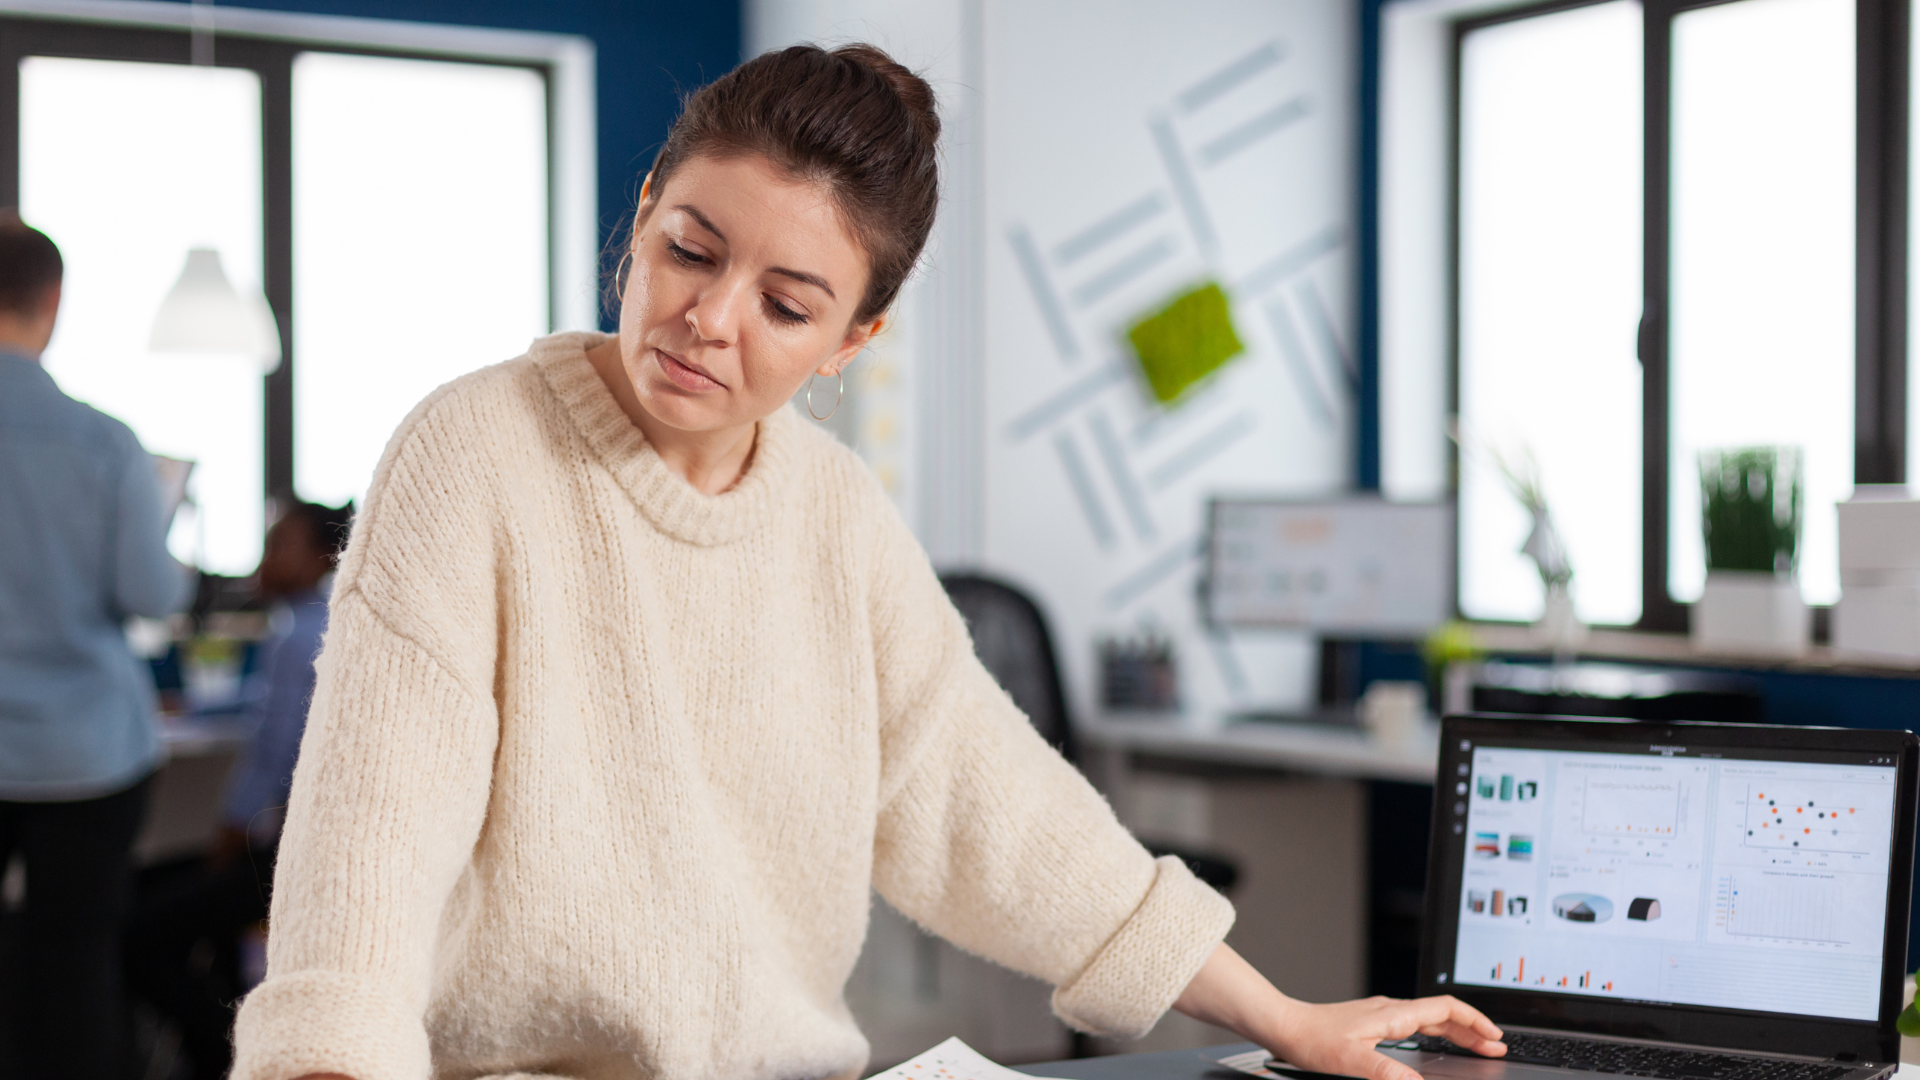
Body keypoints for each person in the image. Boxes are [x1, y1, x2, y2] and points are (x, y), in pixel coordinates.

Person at [233, 45, 1507, 1080]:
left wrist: (1281, 1015)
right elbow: (367, 856)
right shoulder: (473, 454)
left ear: (852, 339)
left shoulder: (835, 517)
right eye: (689, 247)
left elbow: (1000, 811)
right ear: (642, 215)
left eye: (788, 305)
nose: (710, 319)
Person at [0, 212, 196, 1078]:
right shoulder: (104, 442)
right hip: (87, 752)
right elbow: (152, 597)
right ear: (53, 303)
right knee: (75, 967)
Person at [125, 500, 349, 1080]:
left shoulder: (297, 635)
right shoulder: (319, 623)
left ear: (321, 556)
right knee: (191, 911)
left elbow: (273, 755)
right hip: (314, 851)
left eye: (280, 545)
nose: (266, 559)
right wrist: (195, 705)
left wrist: (229, 830)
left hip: (280, 855)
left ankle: (234, 1058)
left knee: (138, 929)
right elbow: (262, 705)